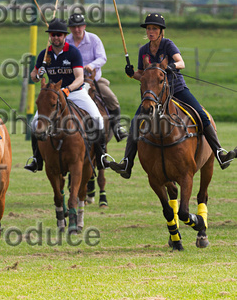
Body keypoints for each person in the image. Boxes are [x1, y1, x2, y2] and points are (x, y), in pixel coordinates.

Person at [108, 13, 237, 178]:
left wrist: (171, 66)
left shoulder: (168, 45)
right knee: (135, 123)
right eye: (148, 28)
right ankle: (127, 163)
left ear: (161, 31)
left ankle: (219, 153)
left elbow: (181, 63)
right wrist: (132, 74)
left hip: (176, 89)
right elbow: (144, 76)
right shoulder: (143, 50)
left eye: (154, 28)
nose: (150, 31)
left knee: (201, 114)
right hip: (155, 96)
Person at [24, 18, 109, 172]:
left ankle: (101, 155)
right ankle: (36, 159)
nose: (56, 37)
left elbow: (80, 78)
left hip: (75, 92)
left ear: (64, 36)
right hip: (52, 96)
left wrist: (67, 90)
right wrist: (38, 74)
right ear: (50, 36)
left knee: (97, 119)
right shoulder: (45, 54)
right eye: (53, 35)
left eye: (59, 35)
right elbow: (34, 76)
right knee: (35, 123)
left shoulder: (73, 52)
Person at [66, 13, 128, 141]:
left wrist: (92, 65)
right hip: (73, 81)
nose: (77, 29)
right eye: (73, 27)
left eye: (79, 26)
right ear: (70, 28)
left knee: (112, 99)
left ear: (84, 26)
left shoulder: (94, 39)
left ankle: (117, 128)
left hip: (93, 80)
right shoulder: (66, 41)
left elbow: (102, 57)